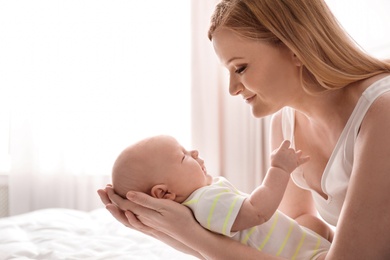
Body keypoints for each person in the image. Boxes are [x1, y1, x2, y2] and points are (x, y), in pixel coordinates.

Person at [98, 0, 390, 259]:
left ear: (296, 47)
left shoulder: (382, 111)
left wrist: (192, 235)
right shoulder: (286, 123)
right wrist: (171, 231)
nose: (232, 89)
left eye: (240, 68)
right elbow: (295, 232)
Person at [111, 135, 331, 259]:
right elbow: (257, 211)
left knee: (313, 224)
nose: (194, 153)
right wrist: (279, 170)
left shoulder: (197, 206)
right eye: (183, 156)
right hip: (304, 257)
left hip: (297, 247)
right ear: (164, 193)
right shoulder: (206, 202)